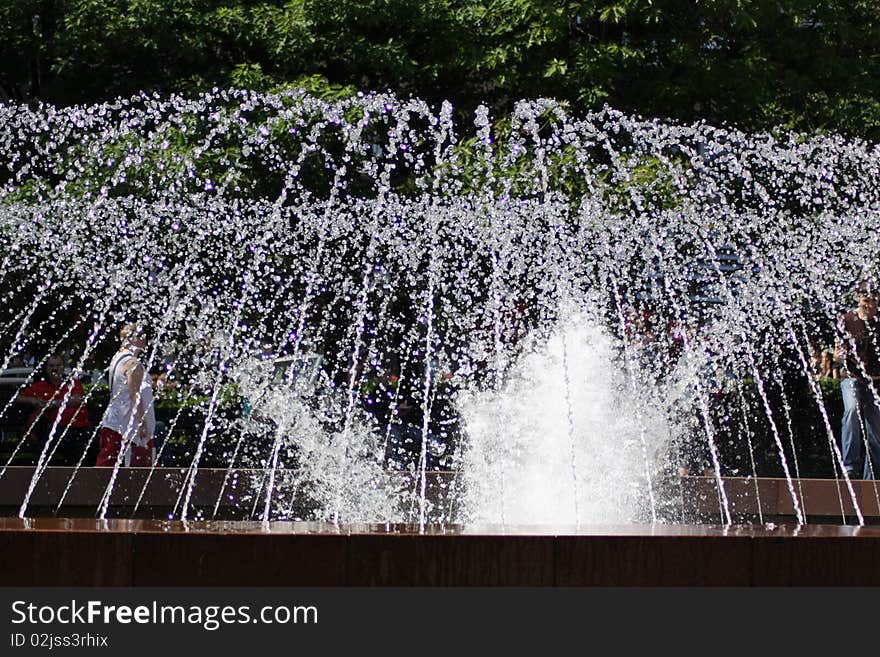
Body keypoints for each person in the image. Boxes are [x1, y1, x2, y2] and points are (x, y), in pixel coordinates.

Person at [836, 279, 880, 479]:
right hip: (852, 378)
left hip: (877, 382)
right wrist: (842, 354)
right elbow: (837, 352)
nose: (869, 305)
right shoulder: (847, 320)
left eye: (873, 300)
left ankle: (871, 476)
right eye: (866, 299)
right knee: (852, 410)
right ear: (860, 299)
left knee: (875, 429)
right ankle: (850, 467)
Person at [95, 324, 156, 467]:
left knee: (107, 466)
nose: (145, 339)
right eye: (141, 336)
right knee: (134, 472)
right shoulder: (132, 363)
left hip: (115, 423)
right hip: (128, 428)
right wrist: (143, 423)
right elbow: (135, 394)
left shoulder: (117, 359)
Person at [18, 354, 92, 465]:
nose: (55, 368)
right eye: (51, 365)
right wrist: (34, 401)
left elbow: (77, 400)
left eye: (58, 365)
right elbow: (17, 398)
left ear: (63, 367)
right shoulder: (40, 386)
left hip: (81, 428)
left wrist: (53, 403)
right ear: (46, 369)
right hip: (58, 429)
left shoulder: (72, 382)